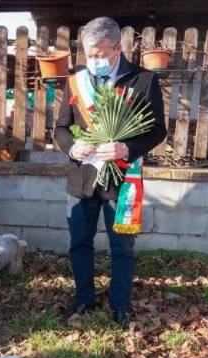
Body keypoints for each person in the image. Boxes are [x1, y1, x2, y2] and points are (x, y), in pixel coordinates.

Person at [54, 17, 167, 329]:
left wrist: (126, 148)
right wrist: (71, 147)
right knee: (80, 242)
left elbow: (158, 130)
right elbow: (60, 128)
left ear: (117, 48)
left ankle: (120, 305)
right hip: (82, 177)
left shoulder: (143, 80)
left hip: (122, 178)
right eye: (89, 54)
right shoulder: (76, 81)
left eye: (100, 54)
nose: (93, 61)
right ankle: (83, 298)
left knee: (122, 247)